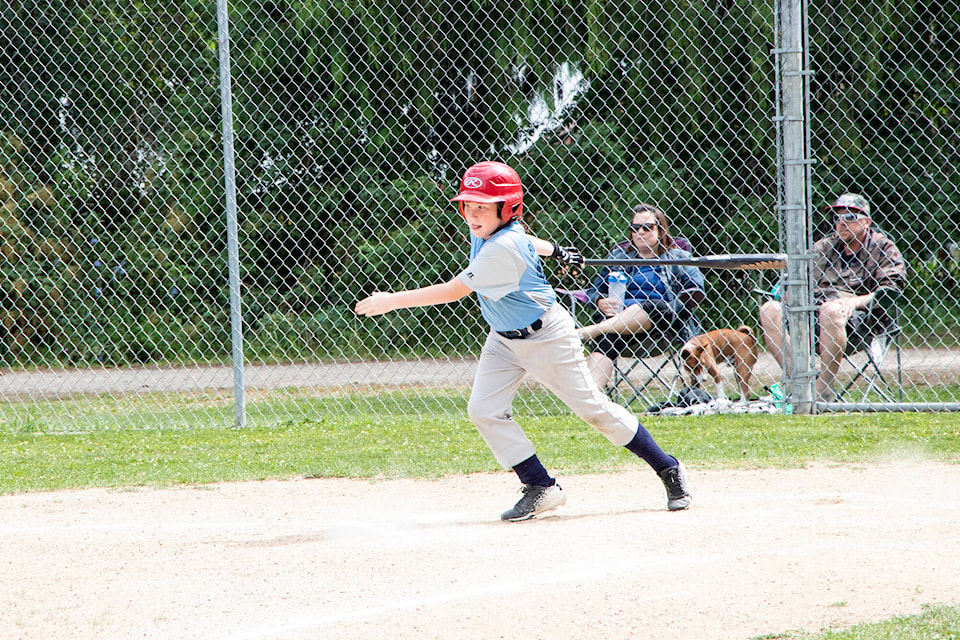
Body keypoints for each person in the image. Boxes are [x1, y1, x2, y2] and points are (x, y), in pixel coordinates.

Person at [354, 161, 692, 521]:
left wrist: (391, 301)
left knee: (594, 409)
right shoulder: (488, 229)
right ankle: (539, 486)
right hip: (502, 339)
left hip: (547, 337)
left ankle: (668, 467)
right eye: (468, 204)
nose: (472, 213)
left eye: (482, 206)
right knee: (484, 409)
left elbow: (454, 291)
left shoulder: (503, 246)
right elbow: (526, 239)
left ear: (507, 208)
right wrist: (555, 250)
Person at [758, 193, 907, 402]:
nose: (841, 223)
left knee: (831, 310)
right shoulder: (824, 247)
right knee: (769, 309)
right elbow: (796, 279)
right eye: (837, 218)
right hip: (811, 315)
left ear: (867, 222)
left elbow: (890, 292)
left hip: (858, 320)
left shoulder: (883, 247)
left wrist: (852, 301)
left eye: (850, 217)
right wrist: (791, 293)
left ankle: (823, 391)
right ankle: (799, 383)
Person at [577, 204, 706, 392]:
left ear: (660, 229)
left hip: (662, 325)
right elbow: (594, 290)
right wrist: (600, 301)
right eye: (635, 228)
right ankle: (591, 398)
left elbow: (696, 289)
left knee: (653, 305)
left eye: (647, 227)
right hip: (619, 325)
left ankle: (587, 332)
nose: (640, 232)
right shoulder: (619, 256)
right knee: (606, 339)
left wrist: (674, 307)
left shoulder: (679, 256)